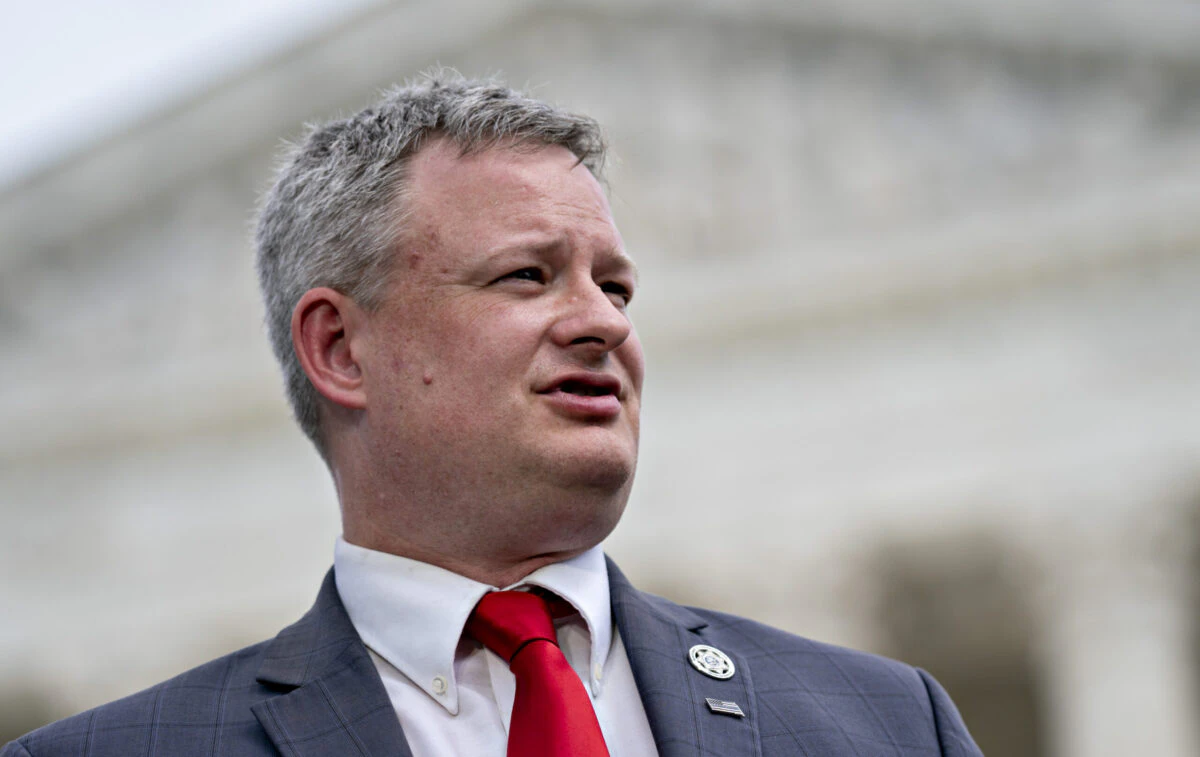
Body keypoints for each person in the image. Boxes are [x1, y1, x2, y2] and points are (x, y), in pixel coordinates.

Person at [3, 73, 982, 756]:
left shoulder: (892, 726)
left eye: (617, 287)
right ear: (341, 349)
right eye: (528, 276)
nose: (604, 321)